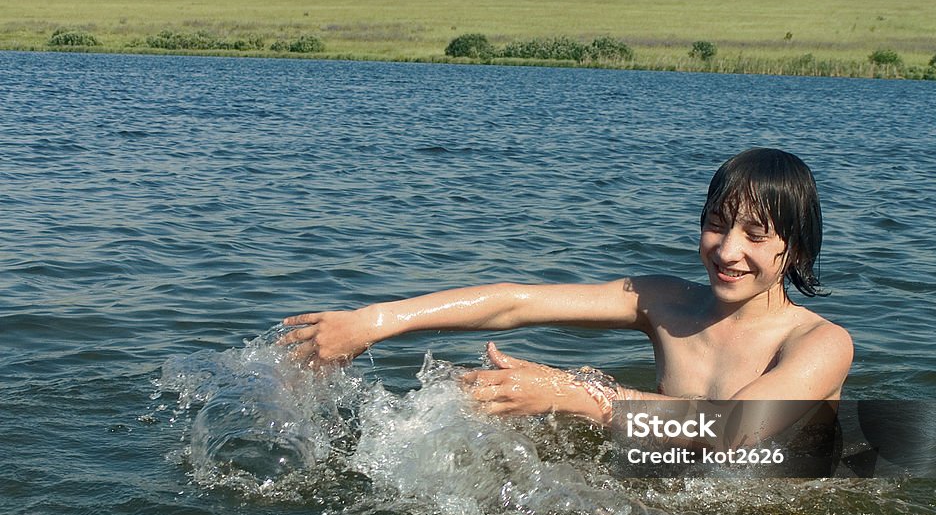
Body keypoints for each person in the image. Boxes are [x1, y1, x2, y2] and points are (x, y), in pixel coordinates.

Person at [279, 148, 853, 435]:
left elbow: (734, 432)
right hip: (668, 494)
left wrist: (576, 393)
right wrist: (374, 322)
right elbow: (517, 301)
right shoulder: (664, 301)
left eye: (755, 235)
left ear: (796, 250)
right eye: (715, 225)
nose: (727, 251)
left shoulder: (820, 344)